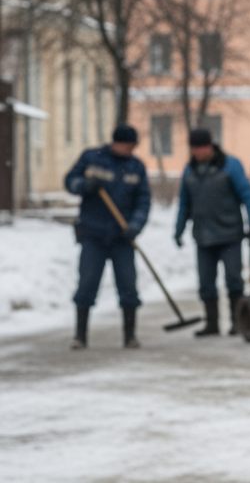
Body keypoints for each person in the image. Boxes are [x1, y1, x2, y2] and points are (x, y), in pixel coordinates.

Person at [65, 124, 151, 350]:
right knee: (87, 284)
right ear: (116, 142)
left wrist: (135, 226)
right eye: (127, 145)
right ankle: (80, 336)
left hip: (122, 238)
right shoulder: (92, 158)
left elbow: (143, 201)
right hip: (93, 234)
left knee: (128, 286)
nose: (129, 149)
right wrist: (85, 185)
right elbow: (69, 181)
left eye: (133, 146)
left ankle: (130, 336)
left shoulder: (136, 167)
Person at [175, 129, 250, 337]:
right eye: (193, 148)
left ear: (209, 146)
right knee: (206, 283)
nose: (196, 152)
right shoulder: (190, 171)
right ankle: (212, 323)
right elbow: (184, 203)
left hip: (229, 234)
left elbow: (247, 196)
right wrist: (178, 230)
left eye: (199, 147)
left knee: (233, 280)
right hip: (203, 236)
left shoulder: (231, 166)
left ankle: (237, 322)